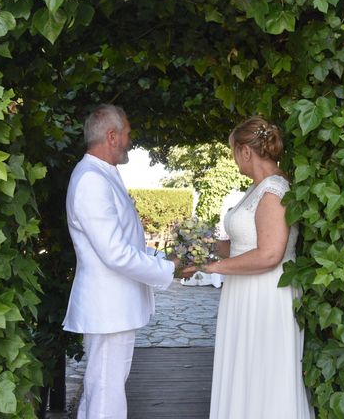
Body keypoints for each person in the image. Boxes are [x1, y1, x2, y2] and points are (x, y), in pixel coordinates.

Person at [184, 116, 314, 419]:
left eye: (233, 151)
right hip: (246, 291)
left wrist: (215, 267)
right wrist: (200, 249)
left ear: (245, 151)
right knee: (246, 369)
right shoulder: (259, 188)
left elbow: (269, 254)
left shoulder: (274, 191)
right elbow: (245, 245)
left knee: (265, 373)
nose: (234, 159)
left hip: (266, 295)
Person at [62, 104, 180, 419]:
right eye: (127, 134)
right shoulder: (91, 179)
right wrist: (168, 268)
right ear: (112, 136)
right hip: (108, 306)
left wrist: (165, 258)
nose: (130, 141)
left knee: (102, 388)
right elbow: (115, 252)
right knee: (106, 393)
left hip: (114, 306)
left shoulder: (103, 174)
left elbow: (127, 243)